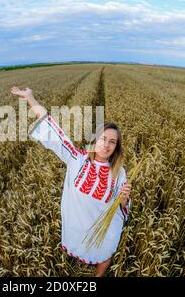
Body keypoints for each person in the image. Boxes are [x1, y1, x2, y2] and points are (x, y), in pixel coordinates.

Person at [10, 86, 132, 277]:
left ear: (116, 147)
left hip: (103, 226)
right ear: (95, 139)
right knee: (78, 241)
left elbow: (121, 205)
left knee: (106, 249)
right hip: (78, 222)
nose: (106, 145)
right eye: (103, 138)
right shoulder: (76, 158)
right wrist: (30, 98)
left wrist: (124, 199)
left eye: (112, 142)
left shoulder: (119, 172)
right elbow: (53, 129)